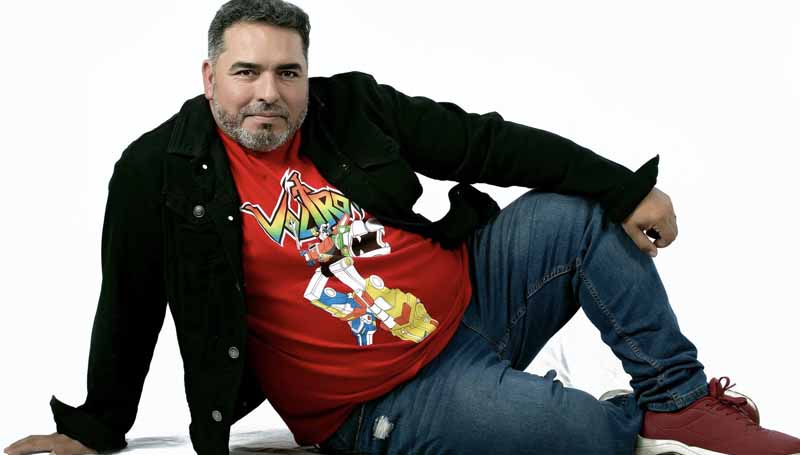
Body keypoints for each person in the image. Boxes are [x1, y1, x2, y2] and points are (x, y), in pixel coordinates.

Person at [4, 1, 800, 454]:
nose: (267, 92)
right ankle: (614, 416)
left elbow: (487, 143)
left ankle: (677, 396)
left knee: (575, 214)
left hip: (476, 302)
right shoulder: (159, 172)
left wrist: (626, 188)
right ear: (209, 76)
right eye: (246, 72)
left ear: (306, 75)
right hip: (383, 399)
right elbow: (131, 301)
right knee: (585, 435)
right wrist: (95, 428)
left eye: (287, 71)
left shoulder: (351, 107)